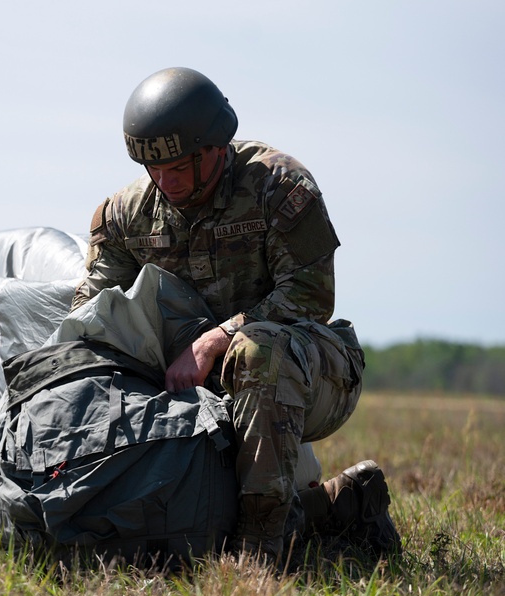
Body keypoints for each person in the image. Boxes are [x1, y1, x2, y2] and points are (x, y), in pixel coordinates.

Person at [71, 67, 400, 561]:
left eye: (179, 167)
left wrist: (214, 341)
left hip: (310, 370)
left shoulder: (279, 186)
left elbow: (310, 296)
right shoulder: (124, 216)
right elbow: (89, 310)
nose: (165, 181)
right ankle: (340, 503)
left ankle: (259, 553)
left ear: (215, 148)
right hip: (197, 381)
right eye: (153, 169)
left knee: (256, 353)